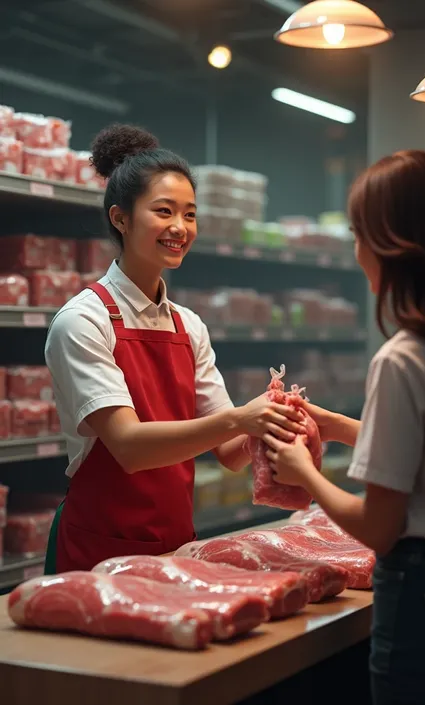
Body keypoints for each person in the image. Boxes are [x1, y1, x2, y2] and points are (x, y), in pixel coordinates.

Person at [44, 124, 305, 574]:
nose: (180, 228)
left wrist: (275, 417)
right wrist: (241, 417)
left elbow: (229, 453)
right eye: (164, 211)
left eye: (190, 214)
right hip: (99, 550)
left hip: (175, 542)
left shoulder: (189, 326)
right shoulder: (82, 321)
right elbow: (129, 446)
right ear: (120, 218)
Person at [264, 150, 425, 705]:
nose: (356, 252)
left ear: (392, 245)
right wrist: (334, 426)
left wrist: (304, 473)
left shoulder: (401, 358)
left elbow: (380, 528)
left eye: (360, 234)